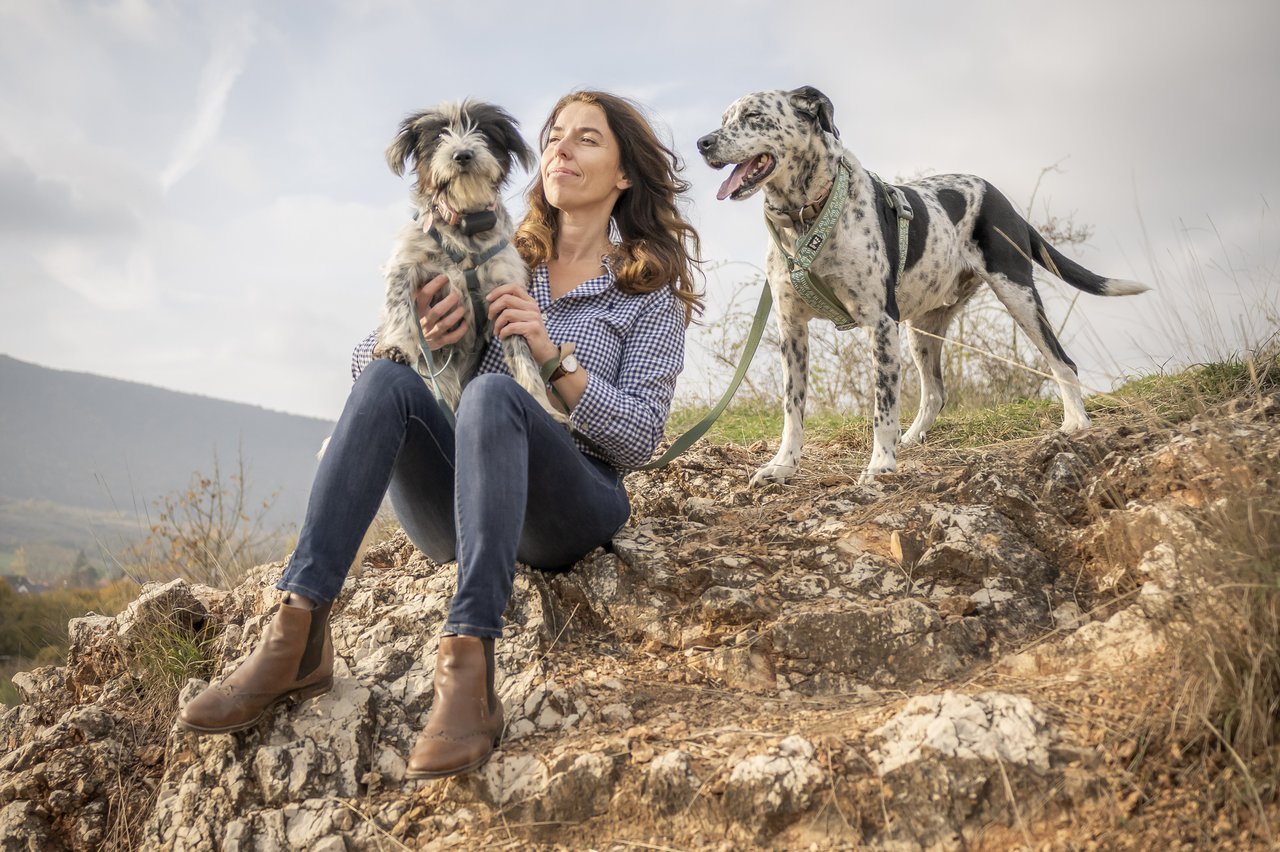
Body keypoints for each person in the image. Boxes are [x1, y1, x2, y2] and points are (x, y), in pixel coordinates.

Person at [177, 91, 703, 779]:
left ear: (625, 173)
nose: (560, 150)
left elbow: (638, 439)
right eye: (553, 137)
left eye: (586, 140)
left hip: (567, 505)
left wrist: (553, 358)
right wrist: (419, 335)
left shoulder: (643, 294)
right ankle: (296, 636)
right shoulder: (490, 249)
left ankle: (468, 674)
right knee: (387, 380)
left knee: (493, 392)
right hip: (460, 507)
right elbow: (367, 365)